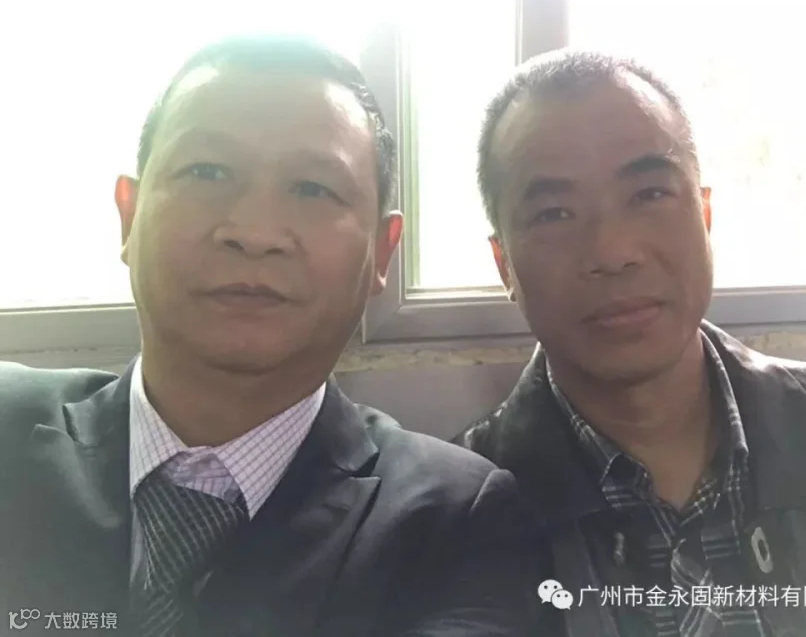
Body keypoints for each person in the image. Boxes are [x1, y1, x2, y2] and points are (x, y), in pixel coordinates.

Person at [0, 35, 539, 637]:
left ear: (381, 252)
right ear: (129, 215)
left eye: (313, 189)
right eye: (207, 171)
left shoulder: (457, 522)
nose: (255, 232)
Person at [455, 48, 806, 637]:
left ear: (705, 214)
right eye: (555, 213)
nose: (613, 252)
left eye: (649, 195)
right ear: (504, 265)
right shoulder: (453, 517)